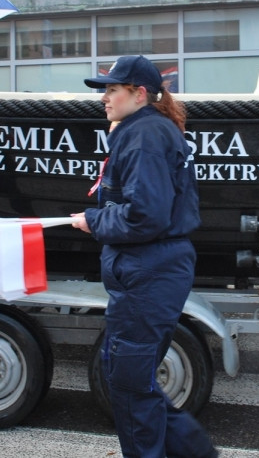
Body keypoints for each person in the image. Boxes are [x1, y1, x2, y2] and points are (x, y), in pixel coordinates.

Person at [71, 55, 217, 458]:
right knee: (133, 382)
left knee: (130, 387)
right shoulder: (149, 130)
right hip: (155, 270)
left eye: (112, 90)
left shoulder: (144, 135)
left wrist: (94, 220)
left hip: (148, 270)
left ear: (138, 94)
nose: (104, 97)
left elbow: (145, 216)